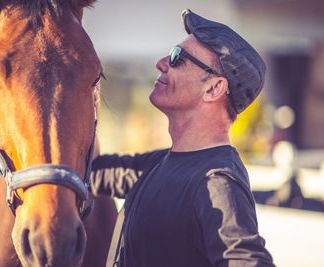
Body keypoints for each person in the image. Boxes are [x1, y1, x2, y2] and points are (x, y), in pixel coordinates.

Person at [90, 9, 275, 267]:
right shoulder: (156, 165)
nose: (161, 63)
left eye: (178, 58)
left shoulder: (218, 182)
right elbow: (90, 173)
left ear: (213, 88)